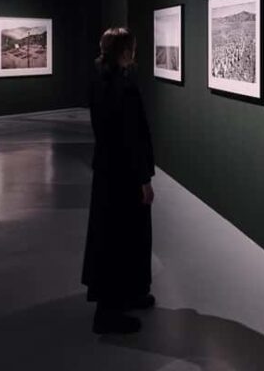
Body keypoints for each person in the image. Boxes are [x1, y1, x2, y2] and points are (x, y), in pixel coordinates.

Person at [82, 27, 156, 334]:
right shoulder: (120, 86)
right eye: (132, 48)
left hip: (108, 172)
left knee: (120, 235)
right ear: (125, 51)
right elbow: (130, 136)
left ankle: (129, 294)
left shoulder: (102, 79)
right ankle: (109, 312)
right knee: (120, 238)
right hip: (124, 176)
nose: (134, 54)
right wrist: (143, 179)